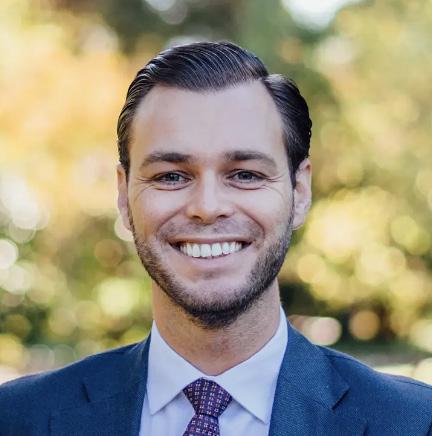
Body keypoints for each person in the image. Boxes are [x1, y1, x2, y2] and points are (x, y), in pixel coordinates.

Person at [0, 41, 431, 436]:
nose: (207, 207)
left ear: (299, 192)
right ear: (123, 195)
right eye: (171, 176)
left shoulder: (414, 423)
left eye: (245, 174)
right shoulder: (18, 419)